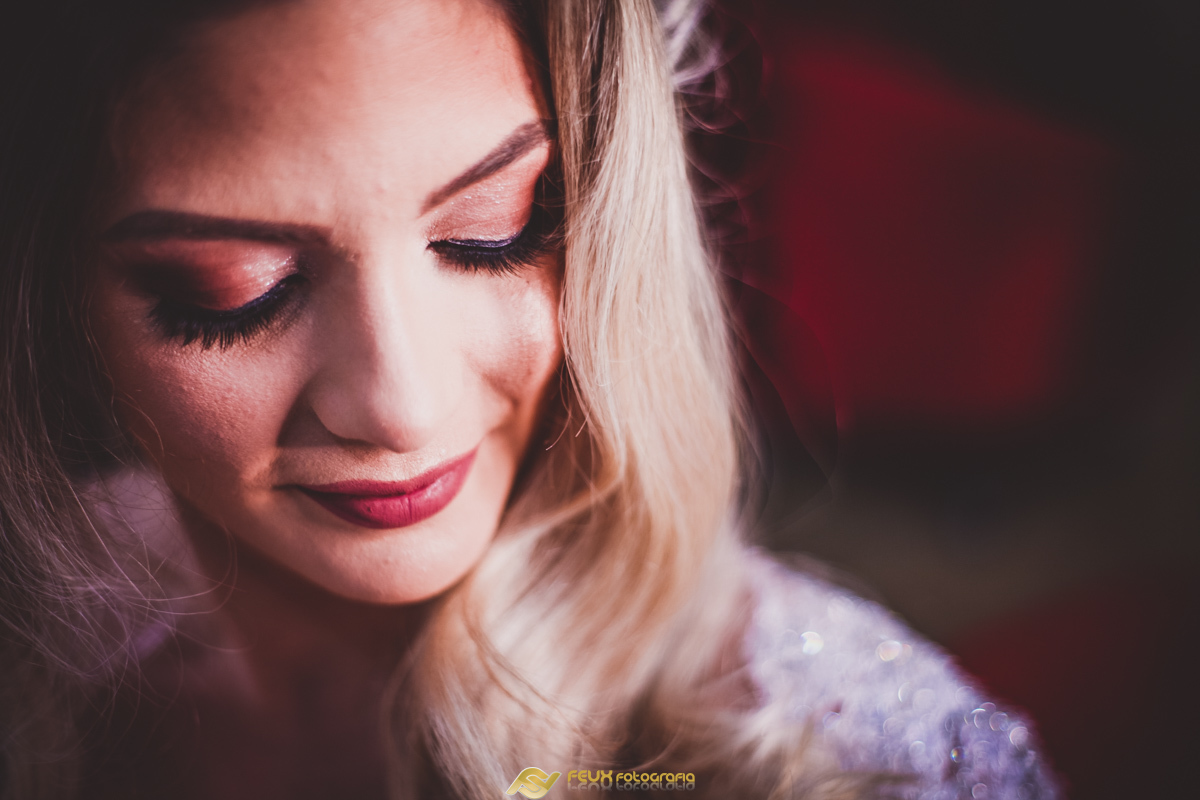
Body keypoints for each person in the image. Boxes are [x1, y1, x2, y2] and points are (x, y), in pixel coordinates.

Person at [0, 0, 1059, 798]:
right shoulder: (42, 661)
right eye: (236, 293)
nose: (404, 407)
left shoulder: (862, 755)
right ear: (46, 297)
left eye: (495, 232)